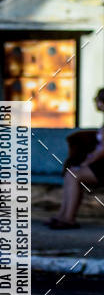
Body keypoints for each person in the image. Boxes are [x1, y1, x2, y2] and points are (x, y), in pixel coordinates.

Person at [49, 88, 104, 229]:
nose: (96, 103)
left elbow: (102, 150)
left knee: (74, 175)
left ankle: (68, 218)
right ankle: (63, 215)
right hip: (98, 163)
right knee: (71, 173)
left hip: (101, 165)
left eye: (97, 100)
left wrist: (86, 163)